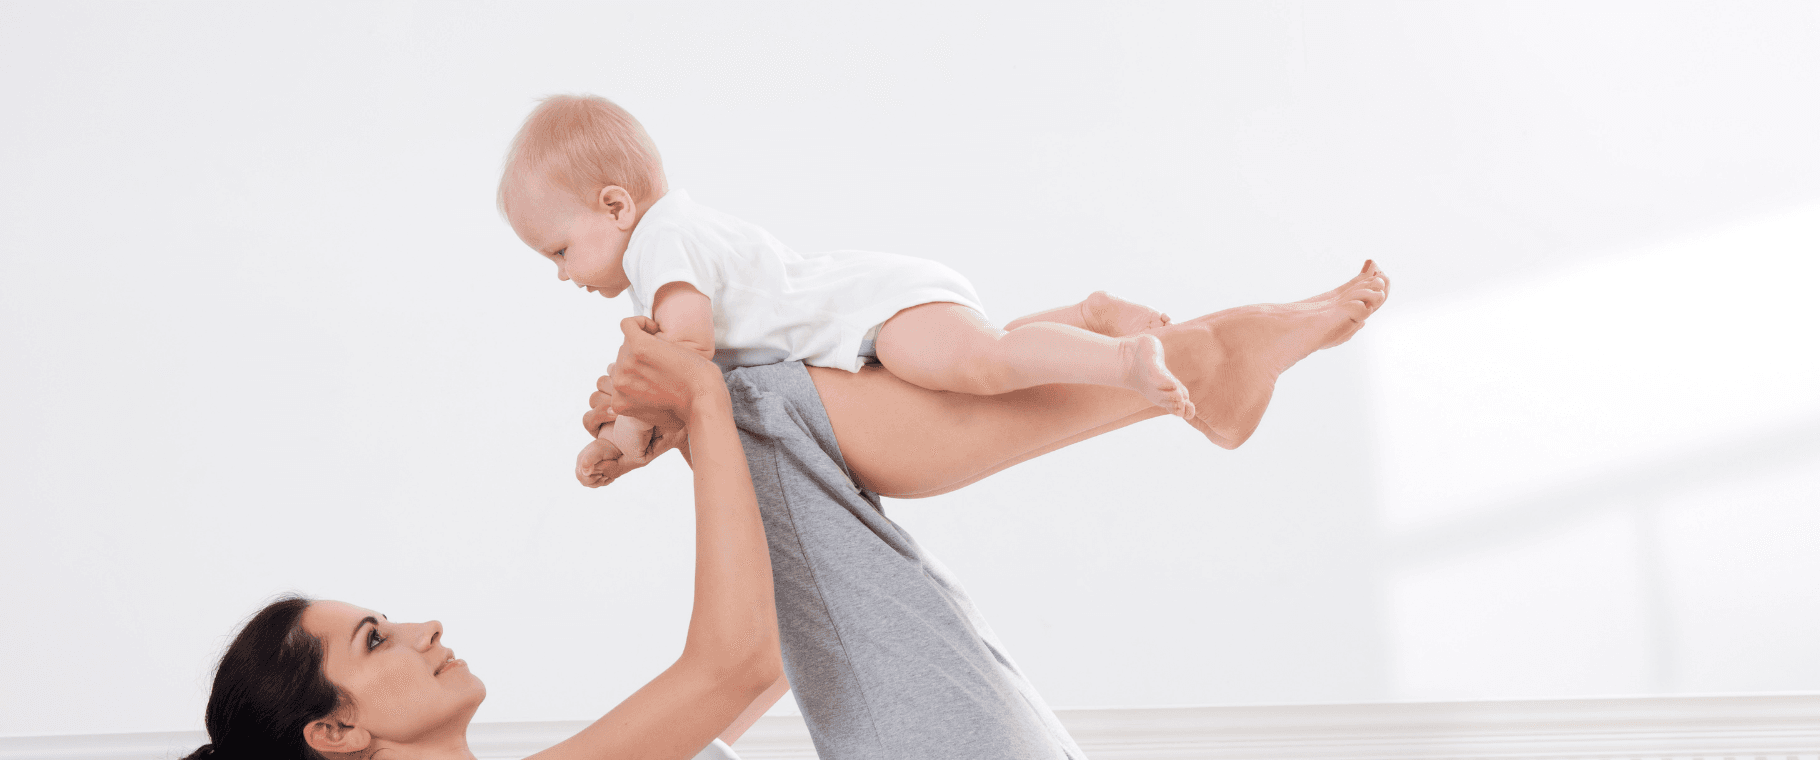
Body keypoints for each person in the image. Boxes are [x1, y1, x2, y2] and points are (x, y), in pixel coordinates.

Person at [162, 250, 1387, 760]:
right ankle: (1167, 368)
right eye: (375, 641)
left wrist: (717, 442)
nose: (421, 628)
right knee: (749, 392)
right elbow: (739, 653)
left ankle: (1163, 368)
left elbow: (751, 684)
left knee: (756, 410)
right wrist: (701, 410)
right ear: (331, 732)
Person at [498, 94, 1385, 473]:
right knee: (982, 363)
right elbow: (696, 375)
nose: (561, 274)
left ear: (615, 205)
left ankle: (1120, 357)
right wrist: (626, 436)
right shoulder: (667, 239)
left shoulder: (661, 248)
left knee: (987, 366)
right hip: (872, 314)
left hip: (871, 313)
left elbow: (686, 347)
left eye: (558, 251)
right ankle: (1089, 315)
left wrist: (635, 387)